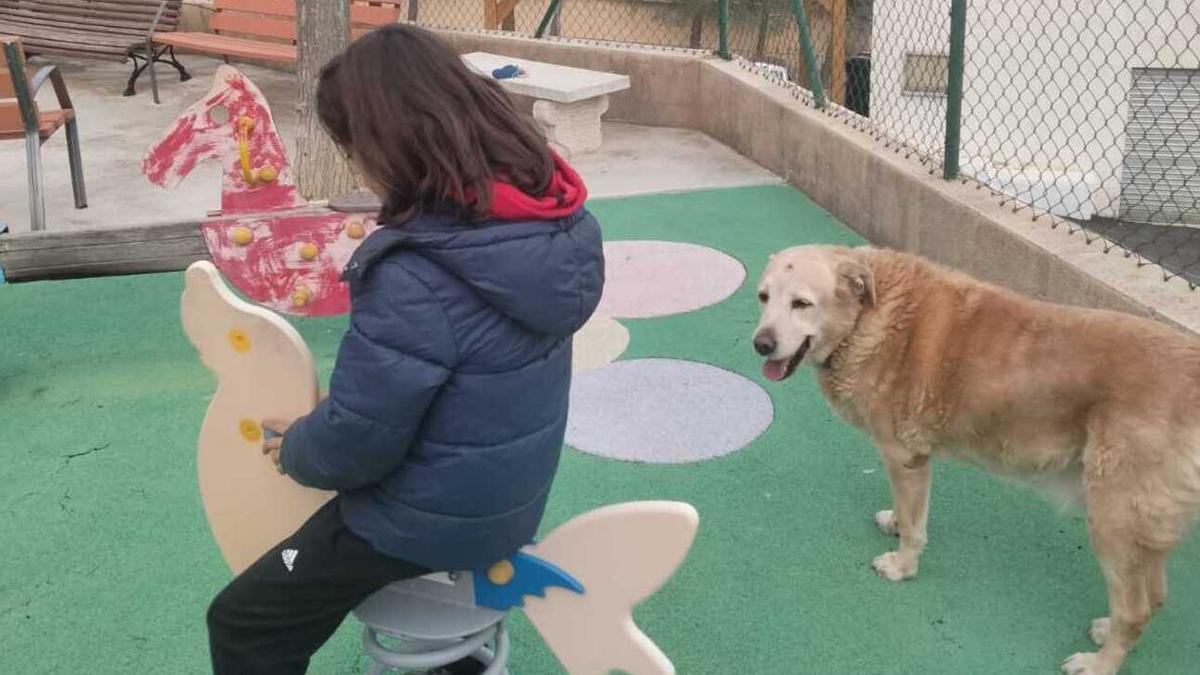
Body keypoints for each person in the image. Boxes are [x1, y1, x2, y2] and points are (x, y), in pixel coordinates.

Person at [206, 24, 604, 674]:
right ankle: (455, 659)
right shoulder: (552, 222)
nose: (357, 168)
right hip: (509, 500)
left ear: (386, 144)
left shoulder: (415, 271)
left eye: (353, 149)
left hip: (425, 524)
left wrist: (297, 447)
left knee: (244, 617)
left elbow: (358, 443)